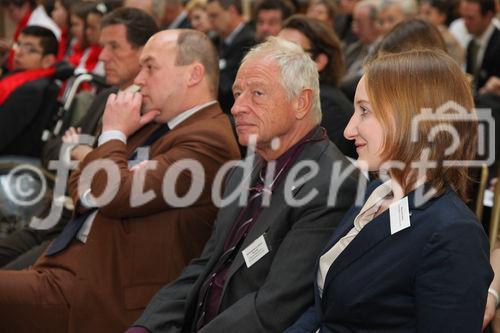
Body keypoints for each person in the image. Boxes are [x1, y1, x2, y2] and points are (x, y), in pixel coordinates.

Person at [0, 28, 240, 332]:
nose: (139, 79)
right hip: (69, 260)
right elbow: (82, 187)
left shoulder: (209, 139)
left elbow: (112, 193)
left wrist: (113, 134)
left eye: (150, 67)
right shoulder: (152, 122)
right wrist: (105, 170)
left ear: (192, 74)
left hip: (104, 288)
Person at [128, 36, 359, 333]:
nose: (237, 107)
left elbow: (274, 308)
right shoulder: (244, 170)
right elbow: (205, 267)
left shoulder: (331, 185)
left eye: (257, 94)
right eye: (237, 94)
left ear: (300, 102)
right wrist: (147, 327)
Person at [286, 49, 493, 332]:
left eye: (364, 111)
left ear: (409, 118)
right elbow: (325, 305)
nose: (348, 130)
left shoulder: (452, 233)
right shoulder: (375, 193)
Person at [0, 7, 161, 271]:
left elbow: (113, 180)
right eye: (102, 46)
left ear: (144, 53)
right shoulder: (104, 96)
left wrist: (84, 153)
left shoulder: (149, 113)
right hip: (52, 213)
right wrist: (78, 152)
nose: (103, 57)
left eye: (114, 47)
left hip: (79, 230)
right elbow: (51, 148)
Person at [279, 15, 356, 158]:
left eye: (290, 52)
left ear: (319, 61)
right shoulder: (292, 95)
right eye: (275, 50)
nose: (277, 60)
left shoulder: (329, 107)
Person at [0, 25, 58, 157]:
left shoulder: (31, 90)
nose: (19, 52)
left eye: (31, 50)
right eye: (18, 45)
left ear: (48, 61)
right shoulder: (16, 78)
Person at [206, 0, 256, 114]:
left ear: (232, 11)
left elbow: (228, 87)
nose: (210, 21)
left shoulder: (249, 41)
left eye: (214, 15)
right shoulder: (215, 40)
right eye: (209, 16)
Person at [462, 0, 500, 93]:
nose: (465, 22)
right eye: (464, 17)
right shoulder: (471, 43)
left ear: (488, 16)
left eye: (471, 18)